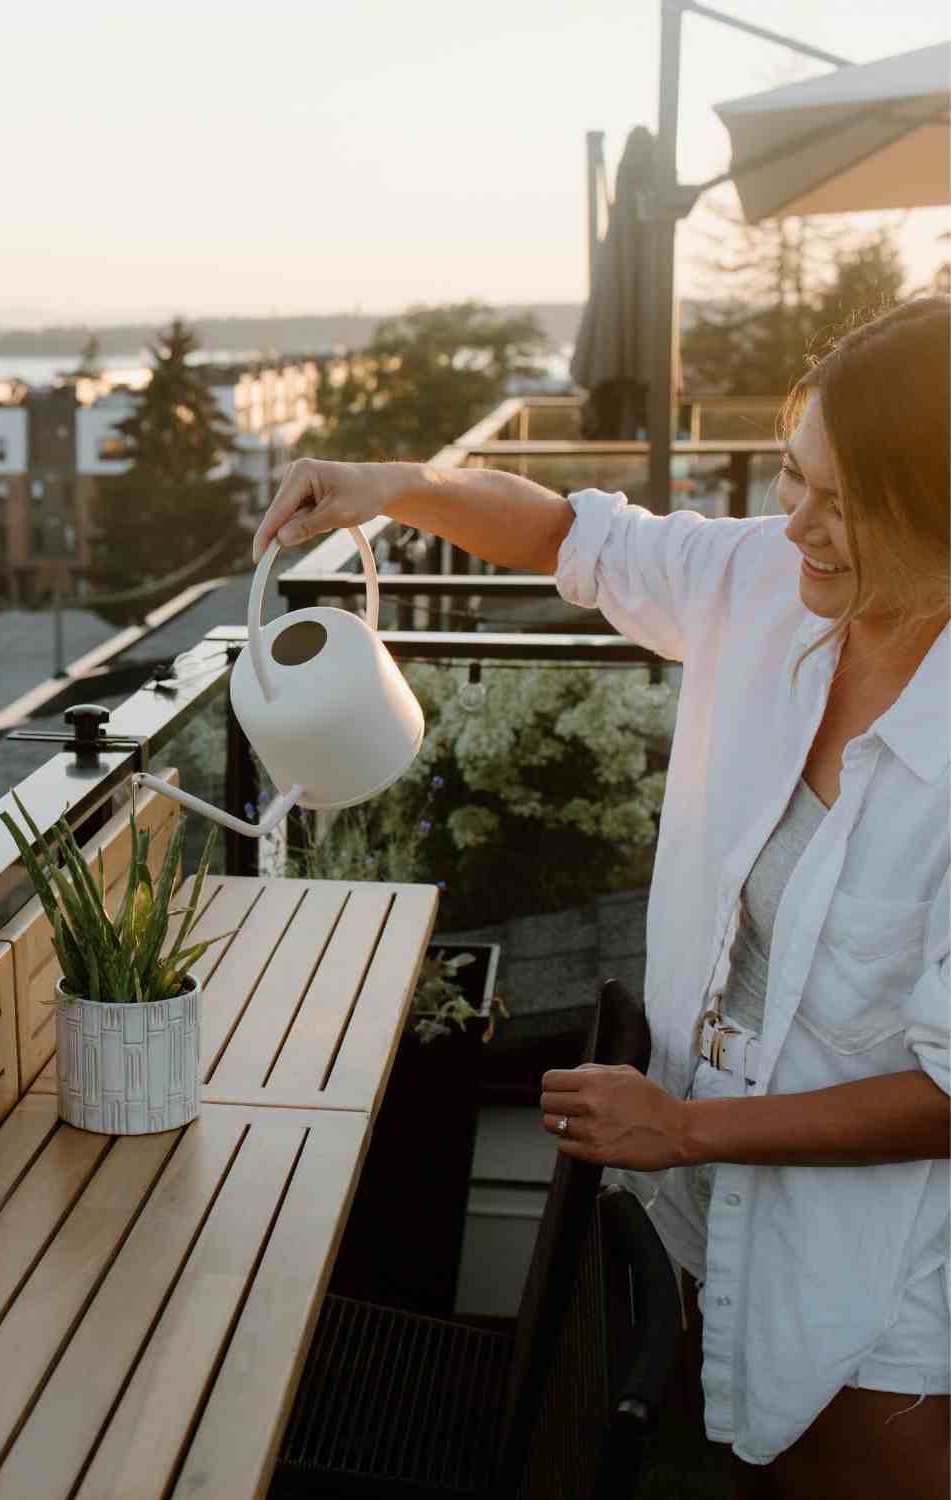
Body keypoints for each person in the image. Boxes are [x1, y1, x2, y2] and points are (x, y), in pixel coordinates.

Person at [250, 297, 950, 1498]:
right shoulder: (767, 582)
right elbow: (574, 534)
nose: (796, 525)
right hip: (700, 1198)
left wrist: (682, 1130)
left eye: (842, 502)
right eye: (793, 479)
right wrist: (384, 483)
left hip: (876, 1261)